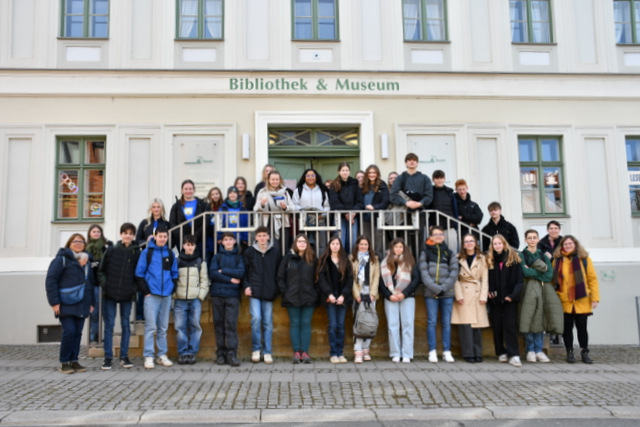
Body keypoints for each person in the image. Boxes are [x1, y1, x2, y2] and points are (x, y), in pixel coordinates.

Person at [45, 233, 95, 374]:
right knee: (69, 331)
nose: (78, 243)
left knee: (78, 333)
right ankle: (64, 362)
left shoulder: (86, 262)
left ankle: (74, 360)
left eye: (81, 241)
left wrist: (92, 302)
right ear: (69, 243)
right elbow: (51, 280)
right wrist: (54, 302)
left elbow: (90, 283)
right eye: (75, 241)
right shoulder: (61, 260)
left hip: (83, 302)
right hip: (65, 302)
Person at [97, 223, 141, 370]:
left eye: (130, 233)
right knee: (109, 325)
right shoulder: (111, 250)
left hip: (127, 294)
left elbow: (139, 273)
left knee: (125, 325)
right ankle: (108, 357)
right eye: (125, 233)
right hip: (110, 293)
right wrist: (106, 285)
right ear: (121, 234)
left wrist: (133, 289)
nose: (127, 235)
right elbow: (101, 270)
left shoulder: (136, 252)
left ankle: (124, 356)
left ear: (133, 235)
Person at [135, 225, 179, 369]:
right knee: (151, 327)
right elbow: (139, 273)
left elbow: (174, 273)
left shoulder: (170, 254)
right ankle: (148, 356)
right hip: (151, 295)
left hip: (166, 295)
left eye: (165, 237)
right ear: (155, 236)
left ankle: (162, 355)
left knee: (163, 327)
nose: (162, 239)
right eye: (160, 236)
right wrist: (146, 291)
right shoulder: (147, 253)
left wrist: (171, 288)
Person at [552, 235, 600, 364]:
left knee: (582, 328)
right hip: (564, 300)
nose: (567, 246)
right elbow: (553, 281)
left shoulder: (584, 259)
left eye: (570, 243)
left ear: (575, 244)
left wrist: (595, 298)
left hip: (581, 299)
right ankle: (570, 352)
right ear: (562, 246)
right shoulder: (557, 261)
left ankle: (584, 352)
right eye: (565, 244)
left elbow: (592, 279)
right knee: (567, 329)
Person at [519, 229, 563, 363]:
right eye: (529, 238)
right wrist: (538, 273)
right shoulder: (522, 255)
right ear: (525, 240)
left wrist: (531, 271)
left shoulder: (543, 256)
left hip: (542, 290)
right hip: (527, 290)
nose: (532, 240)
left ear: (538, 240)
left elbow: (549, 275)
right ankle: (530, 350)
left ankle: (539, 350)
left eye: (534, 237)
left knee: (539, 318)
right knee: (529, 318)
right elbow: (523, 272)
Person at [419, 225, 459, 363]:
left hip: (447, 293)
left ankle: (447, 351)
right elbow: (423, 273)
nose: (438, 236)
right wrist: (435, 288)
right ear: (431, 236)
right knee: (431, 322)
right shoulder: (425, 252)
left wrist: (444, 287)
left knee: (446, 323)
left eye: (440, 234)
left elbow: (454, 272)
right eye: (435, 234)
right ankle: (432, 351)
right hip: (430, 293)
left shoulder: (449, 252)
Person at [243, 226, 282, 364]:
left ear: (268, 237)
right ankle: (256, 349)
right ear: (256, 238)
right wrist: (246, 286)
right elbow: (245, 271)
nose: (262, 238)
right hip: (254, 291)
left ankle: (267, 352)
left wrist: (277, 289)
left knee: (267, 323)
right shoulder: (249, 252)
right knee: (255, 319)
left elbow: (279, 272)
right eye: (259, 236)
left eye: (264, 235)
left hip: (269, 291)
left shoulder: (275, 252)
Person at [278, 234, 318, 364]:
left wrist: (314, 292)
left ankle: (305, 352)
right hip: (292, 297)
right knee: (295, 323)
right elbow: (280, 277)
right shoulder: (288, 259)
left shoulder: (312, 259)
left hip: (308, 296)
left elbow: (318, 278)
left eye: (304, 241)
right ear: (295, 243)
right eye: (299, 241)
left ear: (307, 244)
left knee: (306, 323)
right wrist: (286, 292)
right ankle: (296, 352)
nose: (301, 244)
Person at [379, 238, 420, 363]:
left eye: (400, 247)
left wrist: (404, 294)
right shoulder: (384, 263)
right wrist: (389, 295)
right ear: (391, 249)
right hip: (390, 297)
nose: (398, 249)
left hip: (407, 297)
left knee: (407, 325)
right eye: (396, 247)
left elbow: (416, 280)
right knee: (392, 326)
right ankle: (395, 353)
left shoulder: (410, 261)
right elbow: (381, 283)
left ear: (404, 248)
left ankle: (407, 353)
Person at [451, 234, 489, 363]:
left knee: (477, 326)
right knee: (465, 326)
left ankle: (478, 352)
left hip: (477, 292)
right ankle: (468, 353)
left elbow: (485, 278)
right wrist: (458, 295)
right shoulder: (457, 258)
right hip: (463, 291)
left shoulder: (482, 258)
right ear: (463, 244)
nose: (469, 243)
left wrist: (484, 295)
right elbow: (454, 278)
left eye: (471, 241)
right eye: (466, 241)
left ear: (476, 243)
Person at [486, 234, 523, 367]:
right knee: (497, 327)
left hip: (509, 299)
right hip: (495, 299)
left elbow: (519, 281)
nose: (497, 246)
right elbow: (487, 280)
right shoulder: (490, 260)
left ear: (504, 244)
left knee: (510, 327)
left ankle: (514, 354)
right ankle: (500, 352)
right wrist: (489, 292)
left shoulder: (513, 259)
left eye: (499, 243)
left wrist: (512, 296)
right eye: (495, 244)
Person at [209, 232, 245, 367]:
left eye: (231, 239)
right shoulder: (216, 257)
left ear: (234, 241)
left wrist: (222, 271)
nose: (228, 242)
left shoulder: (238, 258)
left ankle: (231, 354)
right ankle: (220, 354)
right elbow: (212, 273)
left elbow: (241, 273)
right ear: (221, 242)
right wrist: (230, 278)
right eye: (226, 240)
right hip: (217, 294)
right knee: (219, 324)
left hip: (232, 295)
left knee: (230, 324)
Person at [316, 236, 353, 364]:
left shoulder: (345, 261)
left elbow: (350, 280)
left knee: (341, 326)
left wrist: (344, 295)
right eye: (333, 243)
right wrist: (329, 294)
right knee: (333, 325)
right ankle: (333, 353)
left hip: (343, 297)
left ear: (340, 246)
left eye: (337, 243)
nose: (335, 246)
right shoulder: (324, 260)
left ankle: (340, 352)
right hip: (330, 297)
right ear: (329, 245)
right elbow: (322, 279)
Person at [174, 234, 209, 365]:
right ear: (183, 246)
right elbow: (173, 278)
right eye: (187, 245)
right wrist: (175, 295)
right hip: (180, 300)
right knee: (180, 327)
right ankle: (183, 353)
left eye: (192, 245)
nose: (189, 247)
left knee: (195, 326)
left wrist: (200, 296)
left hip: (195, 300)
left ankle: (192, 352)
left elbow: (204, 281)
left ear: (195, 246)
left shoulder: (200, 262)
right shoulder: (177, 261)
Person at [390, 153, 433, 252]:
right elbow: (393, 195)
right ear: (406, 163)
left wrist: (419, 203)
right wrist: (406, 202)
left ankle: (417, 265)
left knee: (418, 242)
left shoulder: (424, 178)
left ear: (417, 163)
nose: (412, 161)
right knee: (403, 242)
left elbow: (429, 196)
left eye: (414, 160)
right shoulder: (400, 178)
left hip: (419, 214)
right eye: (409, 160)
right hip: (403, 214)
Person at [135, 198, 170, 320]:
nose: (156, 209)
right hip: (148, 256)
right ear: (151, 209)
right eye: (154, 207)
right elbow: (137, 239)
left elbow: (170, 240)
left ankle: (157, 315)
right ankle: (140, 315)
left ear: (162, 209)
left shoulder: (166, 223)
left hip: (161, 257)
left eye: (158, 207)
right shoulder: (144, 223)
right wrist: (147, 241)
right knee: (144, 283)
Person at [351, 235, 380, 363]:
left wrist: (372, 294)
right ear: (357, 245)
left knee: (370, 321)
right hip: (358, 293)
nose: (363, 246)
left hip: (370, 293)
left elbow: (376, 277)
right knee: (359, 321)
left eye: (366, 244)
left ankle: (366, 349)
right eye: (361, 244)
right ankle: (358, 350)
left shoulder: (374, 260)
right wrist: (357, 295)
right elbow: (351, 279)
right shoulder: (352, 259)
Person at [254, 171, 295, 253]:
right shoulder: (262, 192)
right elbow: (255, 208)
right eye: (273, 179)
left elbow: (293, 208)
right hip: (268, 223)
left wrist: (285, 207)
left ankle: (282, 265)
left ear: (280, 180)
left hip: (283, 223)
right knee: (272, 247)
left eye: (277, 179)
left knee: (283, 247)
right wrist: (262, 204)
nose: (275, 181)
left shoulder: (285, 192)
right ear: (268, 180)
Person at [292, 168, 330, 255]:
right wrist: (304, 213)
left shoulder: (322, 190)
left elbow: (327, 206)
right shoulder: (298, 190)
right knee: (304, 244)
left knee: (321, 245)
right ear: (304, 177)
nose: (310, 177)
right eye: (308, 175)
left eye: (313, 175)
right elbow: (295, 205)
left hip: (320, 221)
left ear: (316, 177)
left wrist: (322, 215)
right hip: (304, 222)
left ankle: (320, 264)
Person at [329, 162, 364, 253]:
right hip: (339, 217)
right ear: (339, 172)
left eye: (347, 170)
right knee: (340, 240)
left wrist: (352, 213)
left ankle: (351, 262)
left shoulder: (354, 183)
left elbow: (359, 200)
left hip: (353, 217)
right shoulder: (334, 185)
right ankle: (341, 262)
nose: (345, 172)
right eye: (343, 170)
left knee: (353, 241)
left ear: (349, 171)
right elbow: (334, 202)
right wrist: (345, 213)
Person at [86, 224, 111, 343]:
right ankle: (94, 337)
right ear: (90, 234)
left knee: (107, 313)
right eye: (94, 231)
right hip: (93, 284)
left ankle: (107, 338)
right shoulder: (86, 249)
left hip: (105, 284)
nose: (96, 233)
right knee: (94, 313)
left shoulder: (106, 248)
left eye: (98, 231)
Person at [169, 179, 207, 255]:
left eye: (190, 189)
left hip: (199, 240)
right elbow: (172, 223)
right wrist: (183, 238)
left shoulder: (202, 204)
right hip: (181, 240)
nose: (188, 191)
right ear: (182, 190)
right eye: (186, 189)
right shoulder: (176, 206)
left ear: (194, 190)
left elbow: (206, 221)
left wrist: (195, 237)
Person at [428, 170, 459, 253]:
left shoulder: (450, 192)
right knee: (436, 252)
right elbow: (428, 210)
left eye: (441, 178)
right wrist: (430, 224)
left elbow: (455, 210)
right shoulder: (430, 192)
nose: (439, 180)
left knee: (452, 251)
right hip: (435, 228)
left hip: (449, 226)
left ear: (444, 179)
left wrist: (455, 225)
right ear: (433, 180)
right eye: (437, 178)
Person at [361, 164, 389, 253]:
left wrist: (374, 207)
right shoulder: (363, 185)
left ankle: (378, 262)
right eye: (370, 173)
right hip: (364, 218)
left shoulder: (382, 185)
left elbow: (385, 201)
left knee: (378, 243)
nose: (372, 174)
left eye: (374, 173)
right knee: (365, 242)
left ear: (377, 174)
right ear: (367, 174)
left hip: (377, 218)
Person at [203, 187, 223, 264]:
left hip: (220, 234)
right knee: (210, 255)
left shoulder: (223, 206)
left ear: (220, 195)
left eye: (217, 194)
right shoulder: (207, 206)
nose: (215, 196)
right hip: (210, 234)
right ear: (210, 196)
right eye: (213, 194)